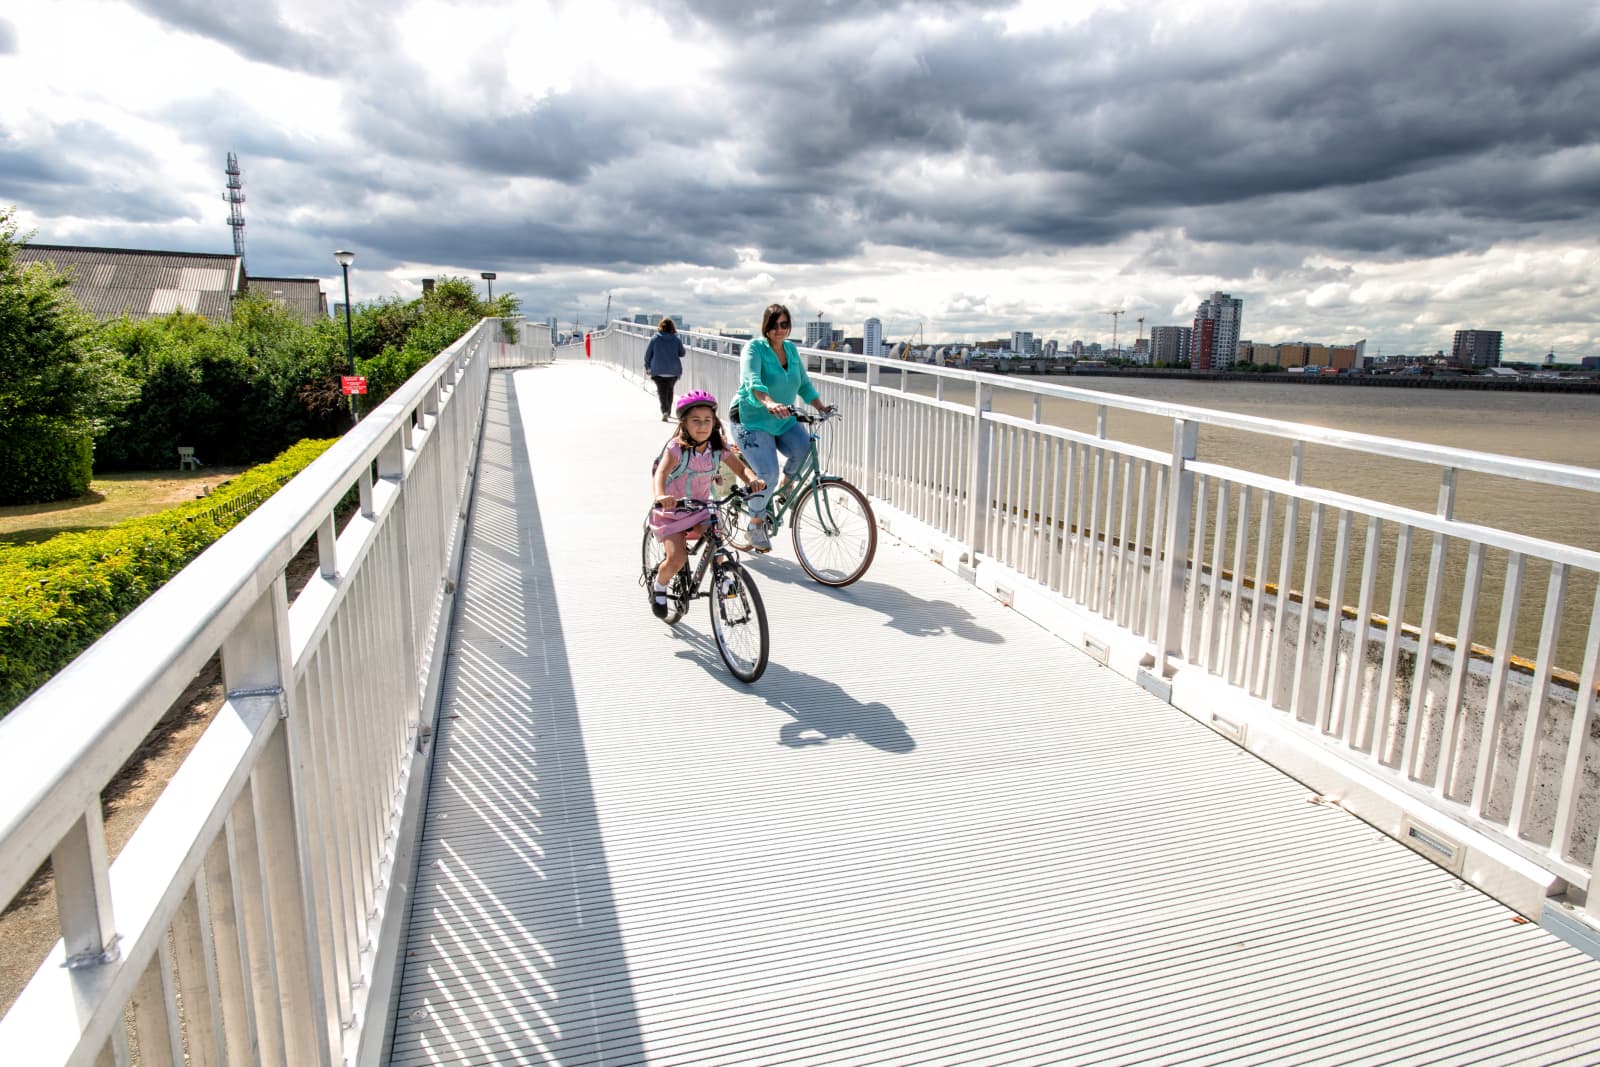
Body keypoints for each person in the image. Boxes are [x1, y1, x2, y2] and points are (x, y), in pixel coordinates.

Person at [648, 389, 765, 618]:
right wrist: (661, 496)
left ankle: (720, 578)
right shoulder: (676, 448)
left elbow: (738, 466)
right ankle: (659, 586)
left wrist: (751, 479)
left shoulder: (717, 446)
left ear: (714, 422)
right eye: (696, 421)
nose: (702, 426)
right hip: (673, 511)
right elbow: (660, 474)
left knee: (715, 538)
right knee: (676, 559)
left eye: (707, 421)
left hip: (701, 507)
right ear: (684, 423)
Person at [730, 303, 834, 552]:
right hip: (751, 417)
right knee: (768, 474)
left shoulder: (790, 349)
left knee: (804, 448)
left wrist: (822, 407)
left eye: (784, 324)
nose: (780, 329)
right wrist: (768, 402)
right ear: (766, 326)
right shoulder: (754, 348)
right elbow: (751, 379)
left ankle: (784, 492)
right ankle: (755, 524)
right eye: (775, 324)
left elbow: (804, 385)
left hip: (782, 417)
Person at [643, 318, 685, 421]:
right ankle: (668, 411)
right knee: (670, 391)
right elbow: (682, 353)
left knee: (662, 392)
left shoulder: (654, 339)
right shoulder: (676, 339)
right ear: (672, 328)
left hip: (658, 370)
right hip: (673, 371)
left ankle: (665, 411)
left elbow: (647, 355)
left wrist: (647, 366)